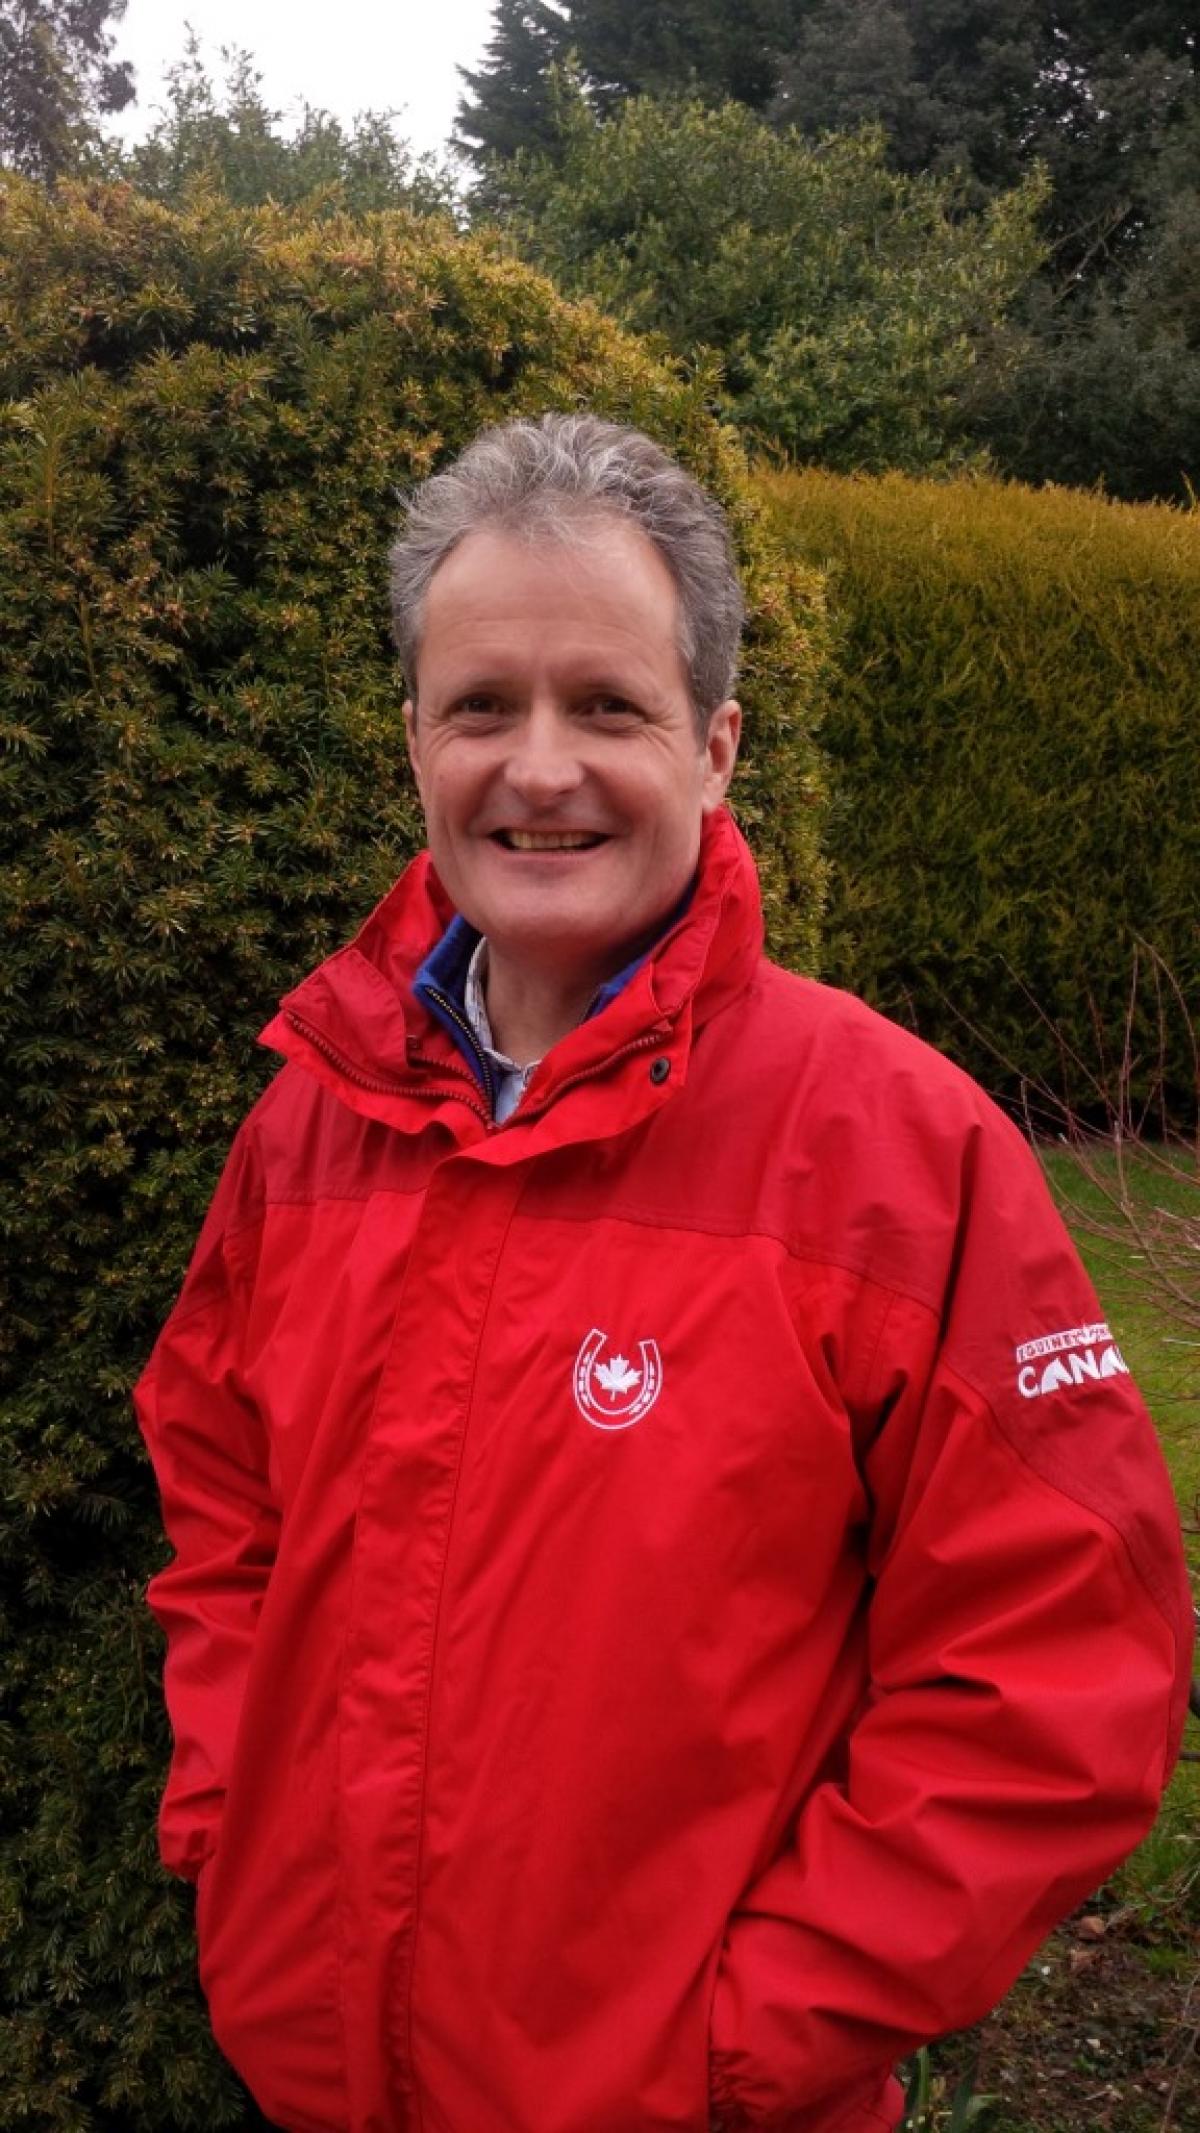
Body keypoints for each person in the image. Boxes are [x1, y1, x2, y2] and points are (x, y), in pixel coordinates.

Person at [135, 413, 1193, 2133]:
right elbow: (223, 1514)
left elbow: (1059, 1671)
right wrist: (235, 1840)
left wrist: (737, 2041)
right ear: (413, 739)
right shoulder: (310, 1128)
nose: (536, 767)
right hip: (318, 2082)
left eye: (606, 706)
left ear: (714, 748)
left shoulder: (891, 1151)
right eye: (482, 704)